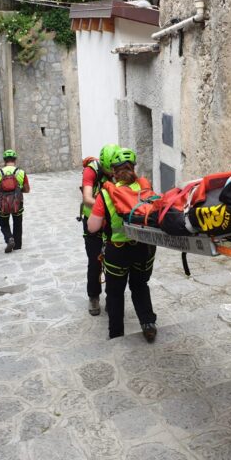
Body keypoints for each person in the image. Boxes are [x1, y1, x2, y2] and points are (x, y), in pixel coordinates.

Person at [87, 147, 157, 342]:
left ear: (114, 171)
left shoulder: (106, 193)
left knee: (115, 293)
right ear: (134, 167)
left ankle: (116, 334)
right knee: (140, 285)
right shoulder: (145, 187)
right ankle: (148, 324)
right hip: (143, 248)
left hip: (116, 252)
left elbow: (92, 227)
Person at [79, 144, 119, 316]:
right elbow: (87, 197)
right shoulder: (91, 170)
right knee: (95, 261)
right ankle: (94, 296)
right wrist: (105, 207)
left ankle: (112, 298)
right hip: (92, 221)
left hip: (110, 222)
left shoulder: (119, 168)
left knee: (112, 261)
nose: (113, 173)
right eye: (110, 170)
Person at [0, 149, 30, 253]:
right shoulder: (21, 172)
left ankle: (9, 238)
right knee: (17, 223)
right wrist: (17, 190)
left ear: (4, 160)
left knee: (4, 223)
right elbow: (27, 189)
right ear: (15, 160)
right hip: (17, 203)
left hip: (3, 204)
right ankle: (17, 245)